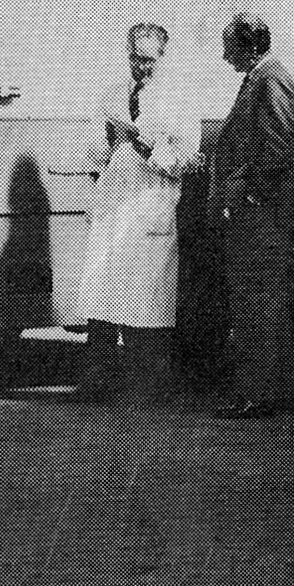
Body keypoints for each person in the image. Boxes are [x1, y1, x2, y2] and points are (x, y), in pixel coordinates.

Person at [75, 22, 201, 406]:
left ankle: (147, 385)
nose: (140, 67)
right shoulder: (112, 96)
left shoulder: (179, 99)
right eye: (134, 58)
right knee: (102, 295)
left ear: (163, 57)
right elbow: (95, 152)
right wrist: (108, 147)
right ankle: (98, 377)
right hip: (114, 205)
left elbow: (184, 163)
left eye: (147, 60)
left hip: (150, 207)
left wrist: (144, 145)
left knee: (144, 299)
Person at [210, 12, 294, 419]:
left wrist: (250, 196)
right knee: (256, 301)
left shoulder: (270, 80)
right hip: (258, 214)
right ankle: (269, 390)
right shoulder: (259, 79)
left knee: (256, 301)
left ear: (250, 46)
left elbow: (278, 145)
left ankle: (258, 393)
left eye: (229, 46)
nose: (225, 55)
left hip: (261, 217)